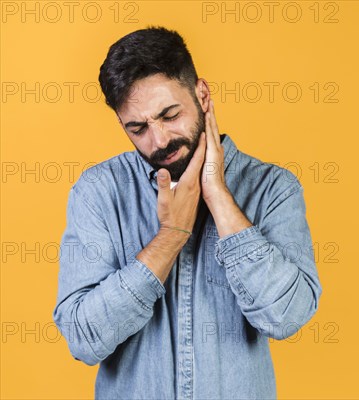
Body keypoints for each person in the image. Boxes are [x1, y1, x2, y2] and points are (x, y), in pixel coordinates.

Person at [52, 26, 322, 399]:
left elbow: (288, 316)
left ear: (202, 95)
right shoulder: (98, 193)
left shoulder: (273, 189)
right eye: (138, 127)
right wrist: (171, 235)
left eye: (169, 115)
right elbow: (83, 338)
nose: (159, 140)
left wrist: (218, 196)